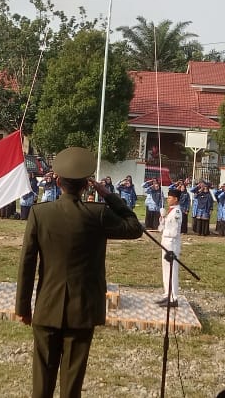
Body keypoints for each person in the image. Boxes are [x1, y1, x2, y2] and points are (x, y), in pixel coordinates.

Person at [15, 147, 143, 398]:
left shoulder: (40, 213)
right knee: (72, 382)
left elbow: (27, 263)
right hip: (82, 309)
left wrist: (23, 307)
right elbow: (134, 227)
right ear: (87, 185)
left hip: (47, 306)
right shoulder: (97, 214)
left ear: (58, 182)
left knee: (41, 379)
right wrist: (109, 195)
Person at [159, 188, 183, 307]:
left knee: (172, 270)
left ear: (176, 199)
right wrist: (163, 217)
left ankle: (173, 297)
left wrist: (165, 226)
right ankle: (167, 294)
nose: (168, 199)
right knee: (166, 269)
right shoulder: (170, 211)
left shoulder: (177, 212)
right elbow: (161, 228)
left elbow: (173, 232)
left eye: (170, 198)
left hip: (172, 243)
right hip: (165, 241)